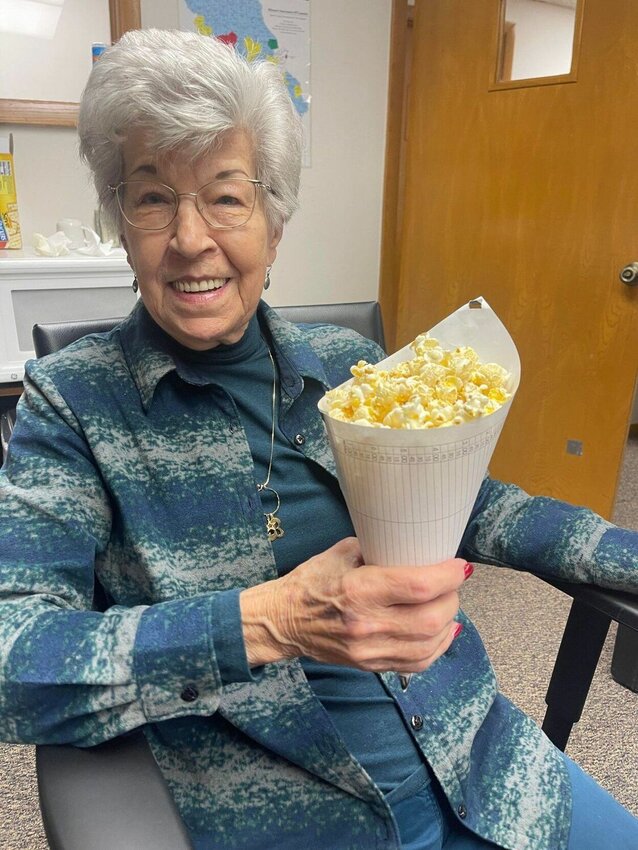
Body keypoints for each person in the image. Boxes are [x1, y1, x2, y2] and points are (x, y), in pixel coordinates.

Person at [0, 28, 636, 850]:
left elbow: (477, 507)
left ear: (275, 222)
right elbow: (17, 659)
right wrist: (274, 621)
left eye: (226, 196)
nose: (192, 239)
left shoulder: (351, 368)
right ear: (120, 224)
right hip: (293, 812)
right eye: (153, 197)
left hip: (486, 766)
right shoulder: (75, 404)